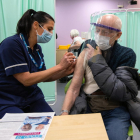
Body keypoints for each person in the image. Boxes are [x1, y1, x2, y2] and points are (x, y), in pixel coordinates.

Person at [61, 14, 139, 140]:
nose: (99, 35)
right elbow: (74, 87)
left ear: (118, 35)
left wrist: (97, 60)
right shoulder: (86, 48)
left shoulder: (126, 54)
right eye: (97, 30)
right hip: (88, 105)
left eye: (105, 31)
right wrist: (64, 112)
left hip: (115, 108)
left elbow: (119, 91)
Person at [0, 9, 76, 119]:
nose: (50, 34)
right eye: (49, 29)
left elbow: (44, 76)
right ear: (36, 25)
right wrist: (60, 66)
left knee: (52, 124)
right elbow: (26, 80)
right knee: (21, 130)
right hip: (9, 99)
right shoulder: (11, 44)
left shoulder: (36, 49)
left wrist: (65, 72)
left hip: (32, 97)